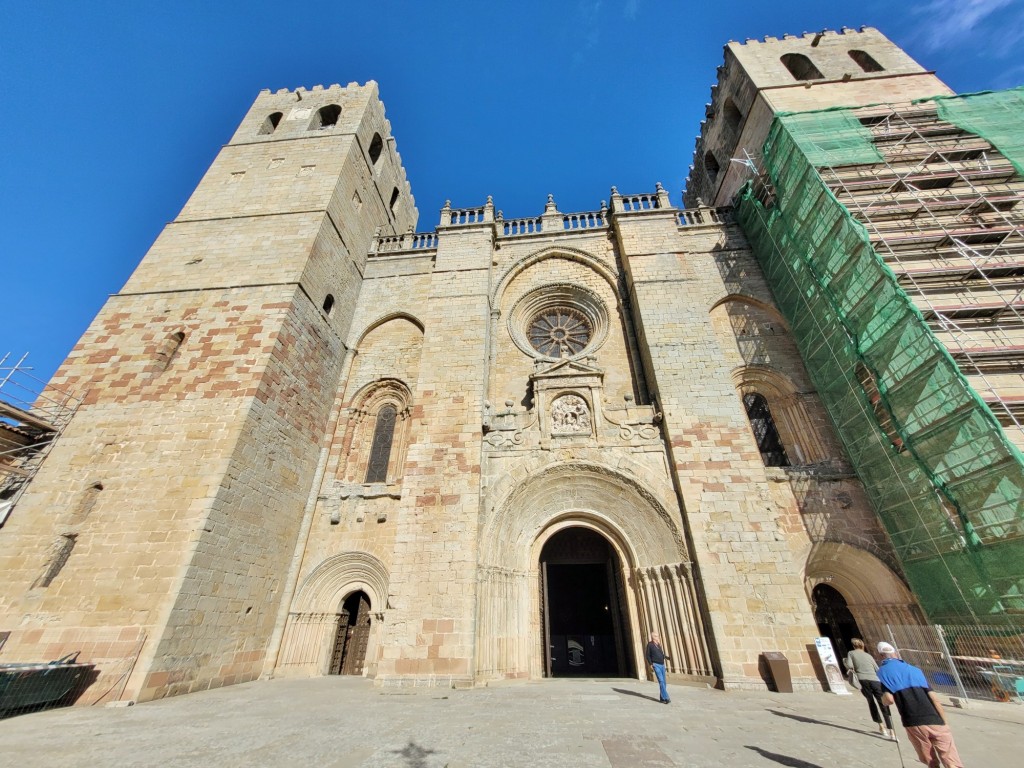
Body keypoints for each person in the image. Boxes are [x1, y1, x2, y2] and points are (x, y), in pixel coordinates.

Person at [876, 641, 965, 768]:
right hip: (935, 719)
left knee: (930, 761)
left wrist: (883, 700)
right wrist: (944, 721)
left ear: (880, 656)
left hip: (914, 721)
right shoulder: (915, 670)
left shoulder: (883, 673)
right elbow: (934, 699)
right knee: (952, 761)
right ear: (895, 653)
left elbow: (889, 699)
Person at [845, 638, 894, 739]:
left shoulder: (851, 653)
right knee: (883, 703)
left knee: (871, 702)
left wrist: (846, 662)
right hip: (875, 680)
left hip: (863, 680)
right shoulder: (868, 655)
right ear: (862, 646)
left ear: (853, 646)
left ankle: (881, 726)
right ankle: (892, 731)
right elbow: (877, 668)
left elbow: (849, 665)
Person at [646, 631, 671, 704]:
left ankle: (662, 698)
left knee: (664, 682)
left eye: (658, 636)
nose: (658, 637)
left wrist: (667, 657)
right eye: (656, 636)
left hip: (662, 665)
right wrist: (651, 664)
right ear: (653, 637)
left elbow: (661, 654)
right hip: (656, 665)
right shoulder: (650, 645)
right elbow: (647, 655)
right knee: (661, 681)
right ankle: (666, 697)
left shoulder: (658, 644)